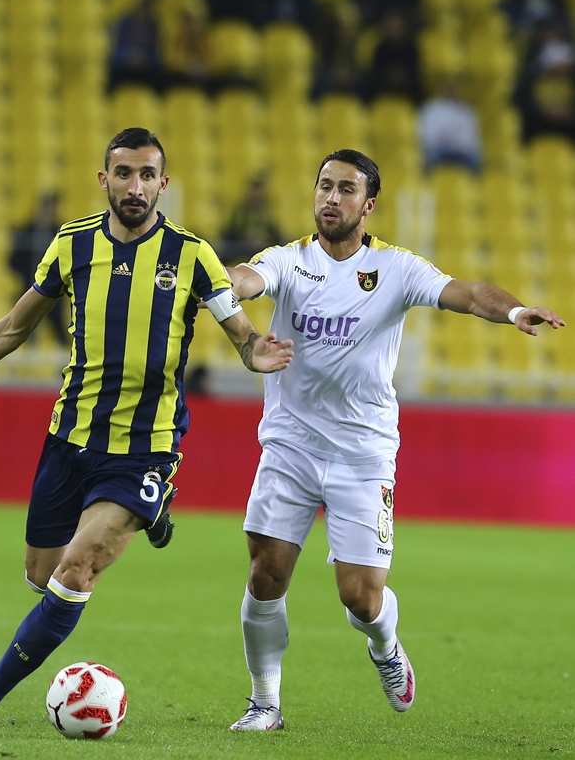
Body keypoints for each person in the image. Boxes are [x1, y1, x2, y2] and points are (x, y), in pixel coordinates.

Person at [0, 127, 293, 729]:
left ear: (163, 184)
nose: (135, 186)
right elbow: (12, 329)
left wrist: (256, 354)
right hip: (70, 440)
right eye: (124, 174)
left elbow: (241, 334)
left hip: (144, 448)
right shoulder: (72, 245)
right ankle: (151, 515)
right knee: (42, 575)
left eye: (147, 175)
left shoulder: (192, 256)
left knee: (76, 570)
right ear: (104, 180)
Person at [225, 148, 565, 730]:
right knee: (265, 575)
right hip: (290, 445)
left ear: (369, 205)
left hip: (363, 452)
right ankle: (265, 703)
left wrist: (512, 313)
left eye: (346, 189)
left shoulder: (396, 268)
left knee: (360, 598)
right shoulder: (288, 260)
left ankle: (384, 645)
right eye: (324, 186)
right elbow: (246, 280)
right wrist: (220, 281)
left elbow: (468, 294)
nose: (331, 198)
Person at [8, 193, 69, 347]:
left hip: (54, 291)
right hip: (29, 289)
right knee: (25, 330)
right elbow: (13, 261)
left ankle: (66, 355)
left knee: (59, 331)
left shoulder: (61, 233)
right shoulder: (27, 232)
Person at [417, 76, 483, 172]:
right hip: (439, 151)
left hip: (461, 152)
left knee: (475, 162)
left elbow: (471, 140)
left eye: (457, 88)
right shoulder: (431, 108)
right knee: (427, 160)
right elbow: (427, 137)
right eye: (451, 87)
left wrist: (455, 143)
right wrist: (447, 140)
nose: (454, 91)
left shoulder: (468, 111)